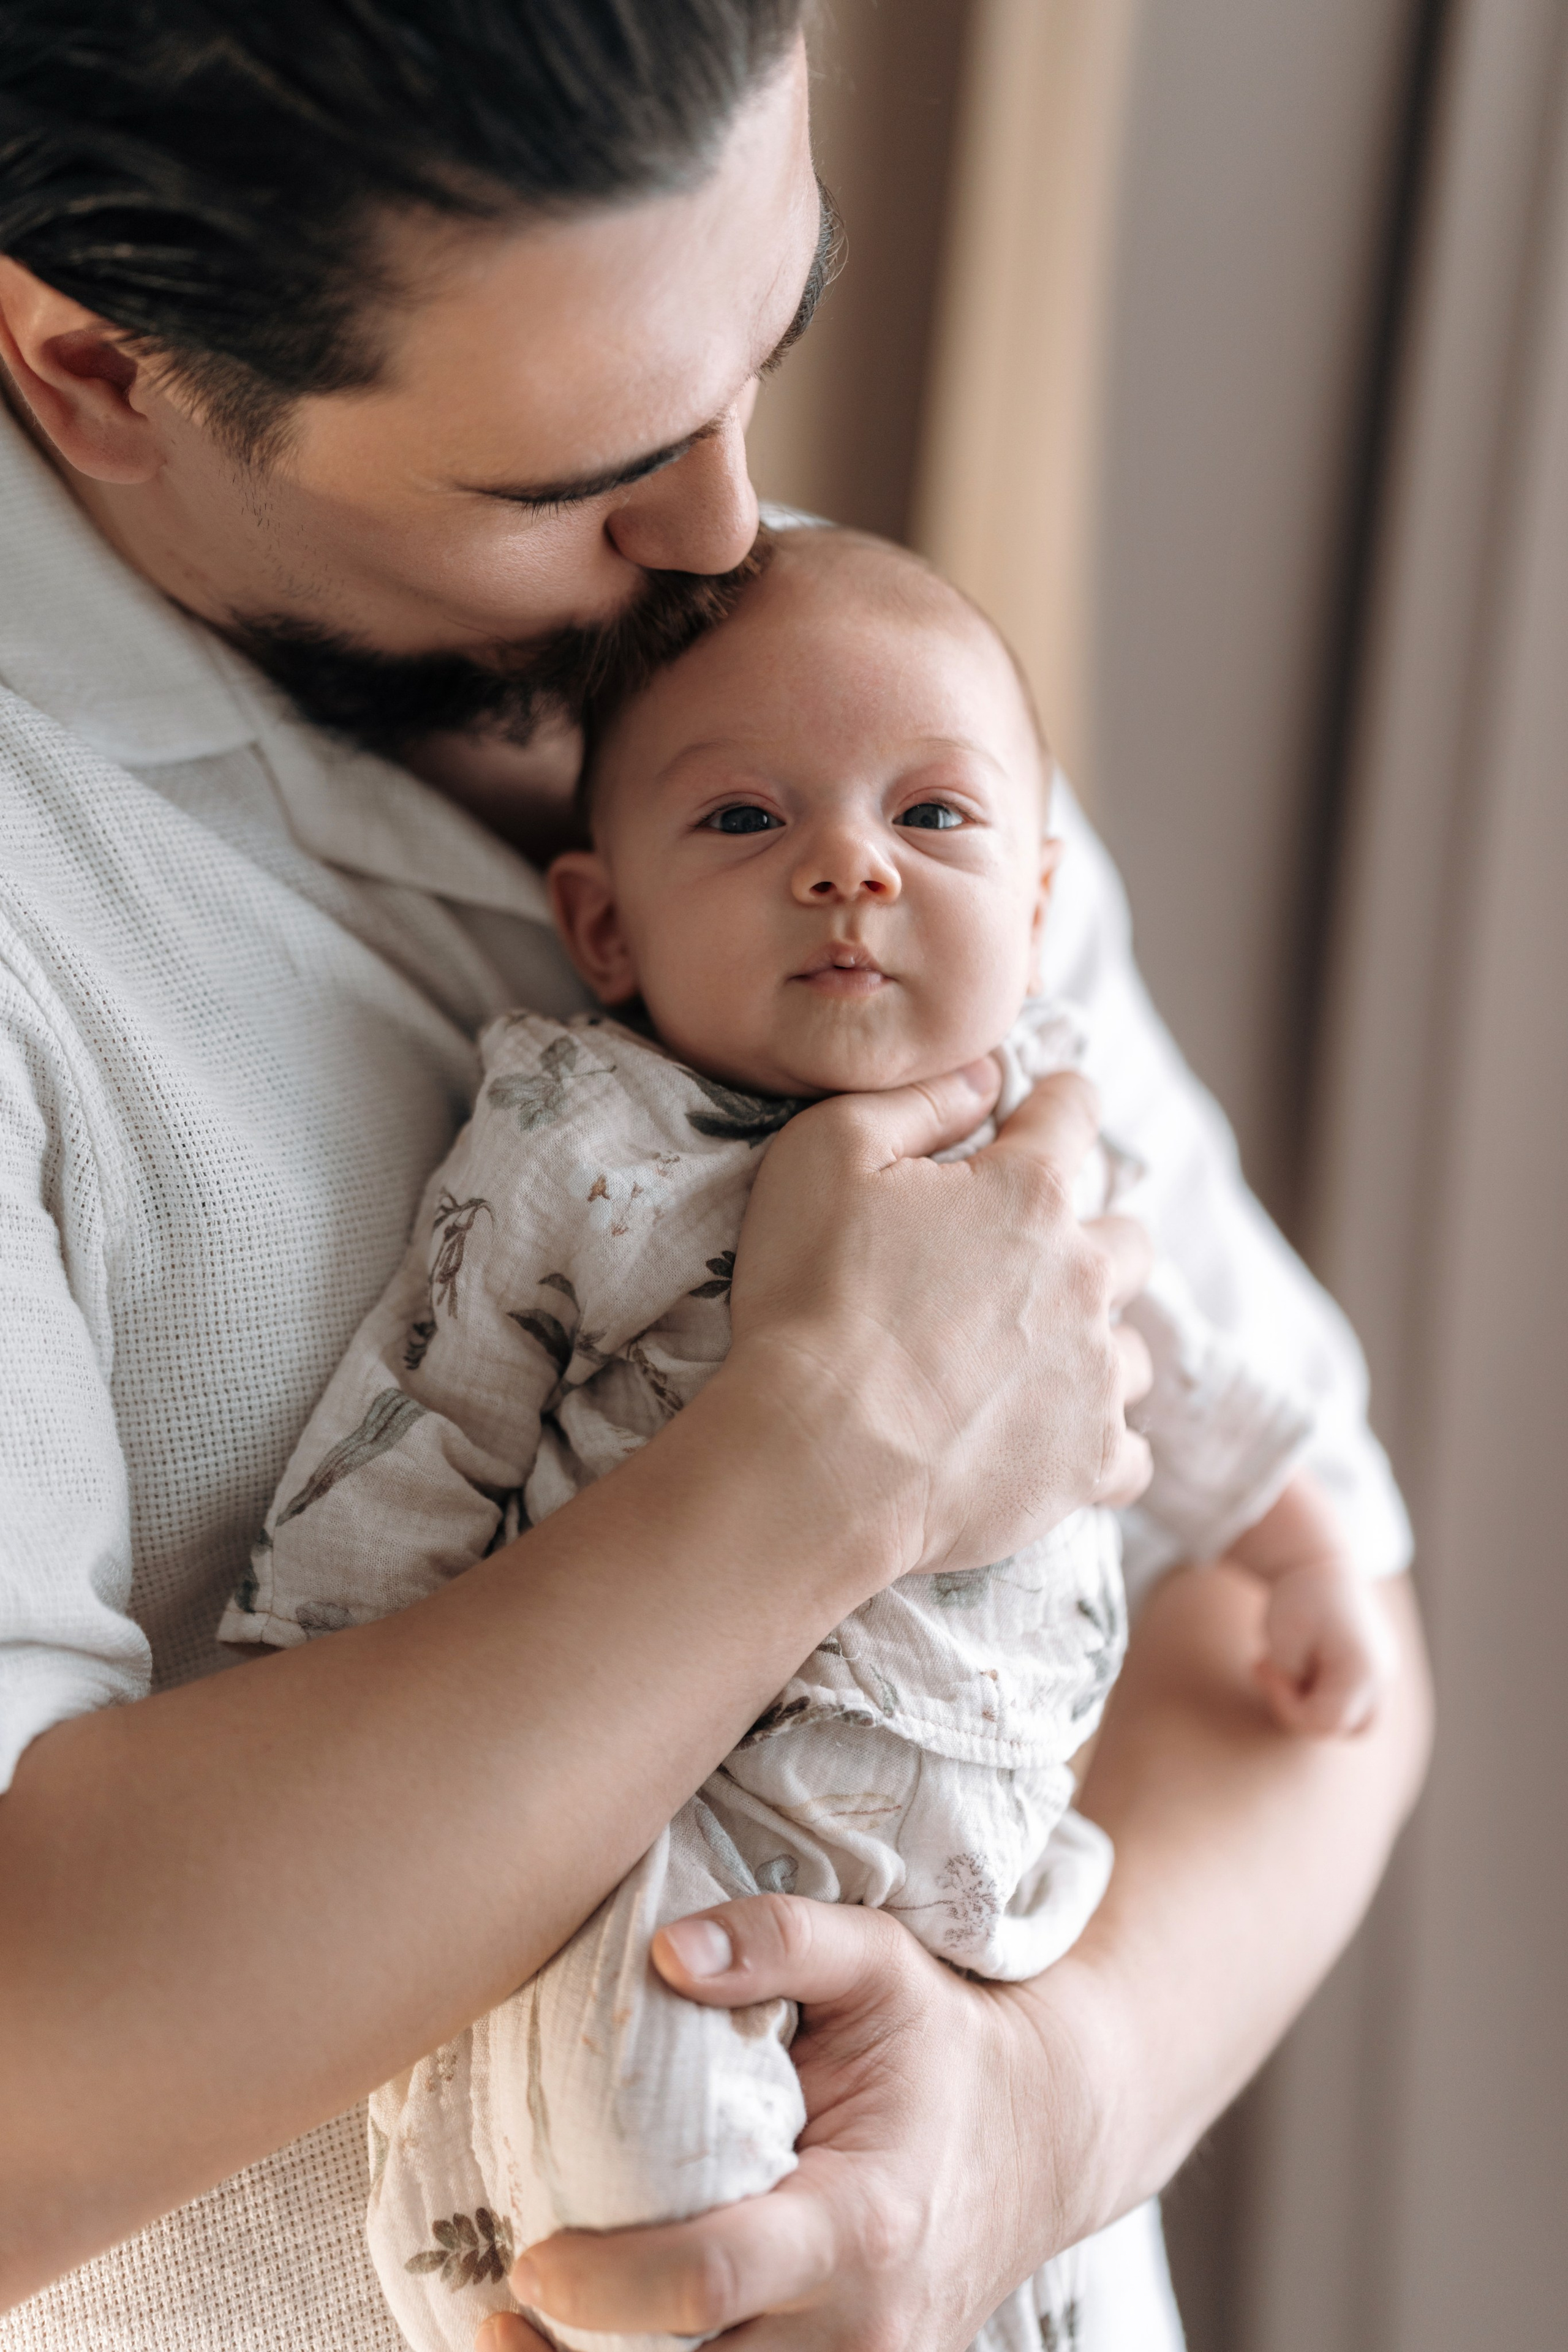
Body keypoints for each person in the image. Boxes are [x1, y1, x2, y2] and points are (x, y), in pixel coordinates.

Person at [0, 8, 1430, 2351]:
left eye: (779, 330)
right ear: (96, 372)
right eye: (577, 472)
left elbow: (1299, 1631)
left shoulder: (841, 725)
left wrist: (1039, 2117)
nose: (730, 538)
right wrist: (827, 1457)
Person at [227, 522, 1402, 2352]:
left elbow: (1187, 1364)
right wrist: (315, 1671)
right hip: (681, 1841)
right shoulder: (583, 1143)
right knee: (658, 2148)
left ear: (1033, 897)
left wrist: (1305, 1551)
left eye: (930, 821)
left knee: (1066, 2291)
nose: (850, 866)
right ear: (603, 926)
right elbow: (433, 1410)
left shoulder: (1054, 1123)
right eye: (745, 825)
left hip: (1004, 1888)